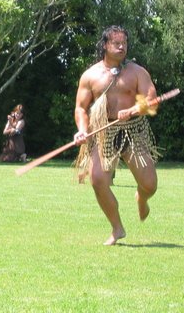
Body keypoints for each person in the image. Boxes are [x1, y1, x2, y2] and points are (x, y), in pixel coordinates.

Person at [73, 25, 159, 246]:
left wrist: (133, 110)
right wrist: (82, 130)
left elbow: (152, 101)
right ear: (105, 45)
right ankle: (117, 228)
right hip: (104, 132)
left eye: (125, 43)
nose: (122, 47)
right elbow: (81, 108)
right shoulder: (90, 75)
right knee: (98, 179)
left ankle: (142, 197)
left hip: (133, 130)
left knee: (150, 185)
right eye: (116, 43)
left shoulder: (137, 71)